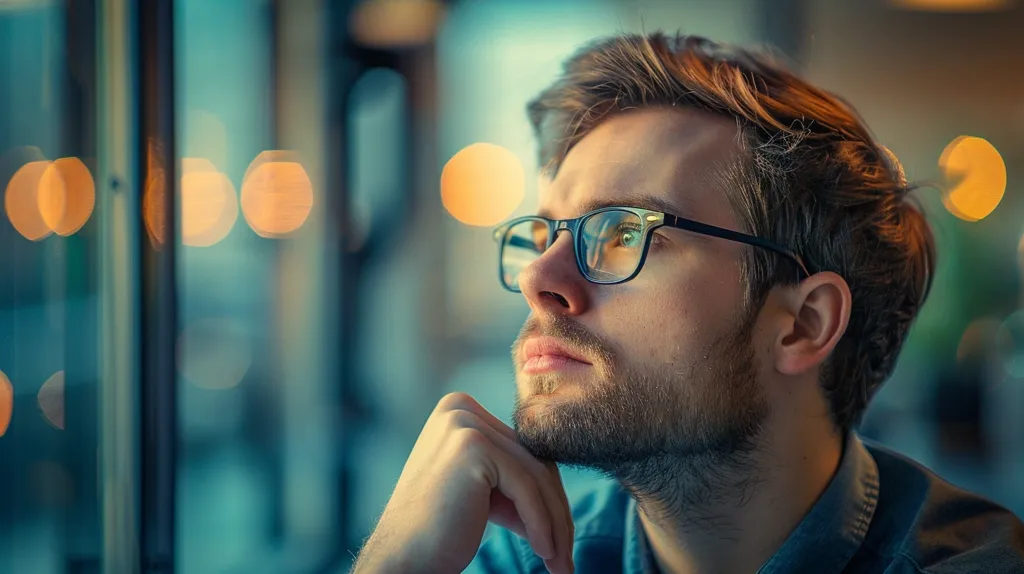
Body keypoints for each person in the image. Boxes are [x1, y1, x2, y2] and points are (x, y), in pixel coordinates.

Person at [351, 32, 1024, 574]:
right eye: (546, 233)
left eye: (621, 233)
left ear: (802, 324)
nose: (539, 279)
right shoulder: (512, 557)